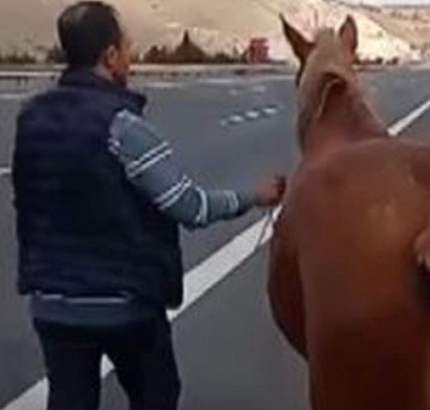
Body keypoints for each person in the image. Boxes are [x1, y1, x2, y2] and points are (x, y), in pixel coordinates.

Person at [11, 2, 286, 409]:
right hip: (125, 308)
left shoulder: (30, 118)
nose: (132, 54)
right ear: (109, 56)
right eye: (126, 46)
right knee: (156, 395)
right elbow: (190, 207)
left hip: (51, 306)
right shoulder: (124, 127)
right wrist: (253, 196)